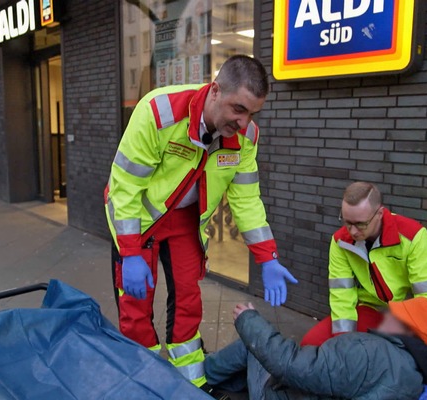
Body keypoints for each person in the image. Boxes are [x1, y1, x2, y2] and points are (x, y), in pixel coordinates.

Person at [104, 55, 297, 394]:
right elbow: (125, 189)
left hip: (185, 223)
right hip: (138, 220)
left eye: (252, 113)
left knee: (188, 302)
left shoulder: (246, 137)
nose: (244, 121)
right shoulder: (160, 112)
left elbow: (246, 200)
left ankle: (192, 383)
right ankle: (143, 383)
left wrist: (267, 257)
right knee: (134, 307)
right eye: (238, 109)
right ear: (215, 90)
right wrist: (130, 251)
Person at [300, 182, 427, 400]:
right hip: (373, 309)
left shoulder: (413, 235)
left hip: (416, 310)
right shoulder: (340, 241)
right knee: (310, 345)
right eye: (347, 222)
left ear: (380, 214)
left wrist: (411, 339)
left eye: (360, 224)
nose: (352, 231)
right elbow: (341, 295)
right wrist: (344, 345)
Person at [205, 297, 427, 400]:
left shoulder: (370, 353)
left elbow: (291, 366)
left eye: (395, 315)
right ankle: (228, 383)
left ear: (407, 330)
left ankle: (200, 378)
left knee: (252, 344)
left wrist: (248, 319)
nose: (386, 316)